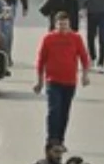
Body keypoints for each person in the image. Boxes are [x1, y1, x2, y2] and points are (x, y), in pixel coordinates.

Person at [34, 11, 91, 145]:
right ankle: (51, 139)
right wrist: (39, 81)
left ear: (69, 24)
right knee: (54, 111)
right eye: (60, 25)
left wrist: (85, 75)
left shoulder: (76, 38)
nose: (63, 28)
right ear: (55, 24)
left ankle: (60, 139)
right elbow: (41, 61)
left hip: (69, 82)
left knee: (64, 113)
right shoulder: (48, 39)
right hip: (53, 81)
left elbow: (84, 57)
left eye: (65, 25)